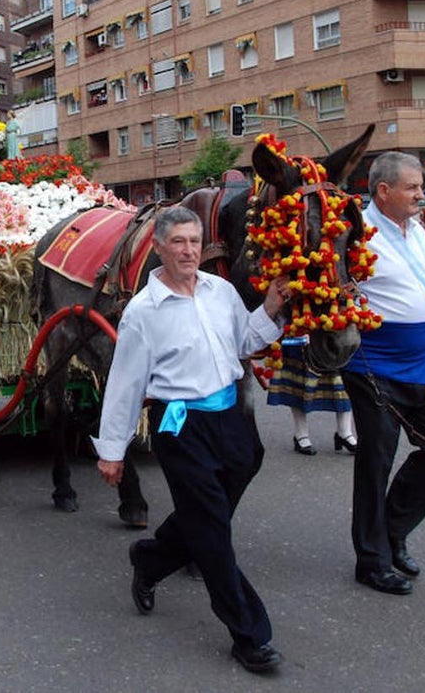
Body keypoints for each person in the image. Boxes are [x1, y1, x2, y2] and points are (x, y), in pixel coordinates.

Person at [92, 207, 291, 674]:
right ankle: (249, 634)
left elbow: (242, 343)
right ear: (158, 247)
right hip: (179, 425)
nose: (187, 250)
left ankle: (151, 559)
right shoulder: (143, 312)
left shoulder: (219, 291)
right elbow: (124, 384)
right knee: (214, 532)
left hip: (229, 419)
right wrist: (112, 451)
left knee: (207, 518)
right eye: (178, 242)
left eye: (194, 241)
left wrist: (270, 309)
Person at [340, 152, 425, 596]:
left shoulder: (417, 231)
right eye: (413, 186)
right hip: (373, 362)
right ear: (384, 191)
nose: (421, 193)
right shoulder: (354, 233)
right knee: (376, 459)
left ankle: (392, 530)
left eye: (419, 186)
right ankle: (372, 560)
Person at [266, 347, 357, 456]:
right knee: (298, 378)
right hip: (301, 337)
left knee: (343, 379)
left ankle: (344, 432)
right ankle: (301, 434)